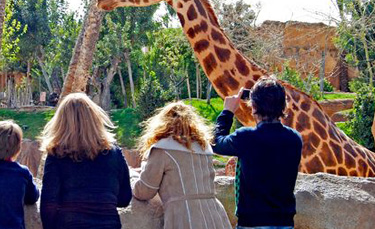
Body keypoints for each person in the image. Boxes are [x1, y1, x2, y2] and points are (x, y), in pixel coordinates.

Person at [212, 76, 303, 229]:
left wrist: (227, 112)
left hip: (251, 223)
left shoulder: (245, 137)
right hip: (285, 223)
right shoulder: (295, 139)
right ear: (283, 106)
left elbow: (216, 143)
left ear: (253, 106)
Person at [133, 101, 232, 229]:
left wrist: (132, 179)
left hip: (184, 216)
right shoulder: (203, 149)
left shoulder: (162, 149)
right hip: (214, 214)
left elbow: (145, 191)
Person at [40, 92, 132, 229]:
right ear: (95, 118)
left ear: (60, 122)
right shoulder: (114, 153)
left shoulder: (56, 155)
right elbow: (124, 199)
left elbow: (49, 204)